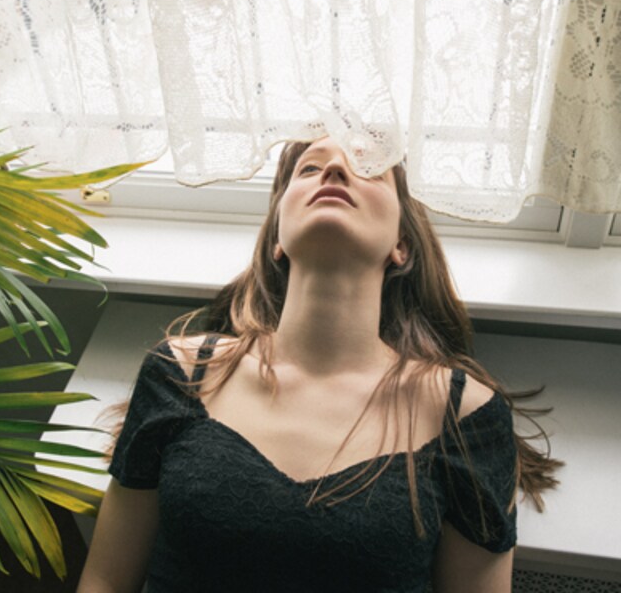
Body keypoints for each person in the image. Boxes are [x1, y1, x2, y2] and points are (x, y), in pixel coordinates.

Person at [78, 136, 562, 593]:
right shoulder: (182, 372)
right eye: (309, 168)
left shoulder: (464, 416)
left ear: (402, 244)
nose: (333, 168)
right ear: (277, 238)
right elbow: (105, 581)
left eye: (368, 168)